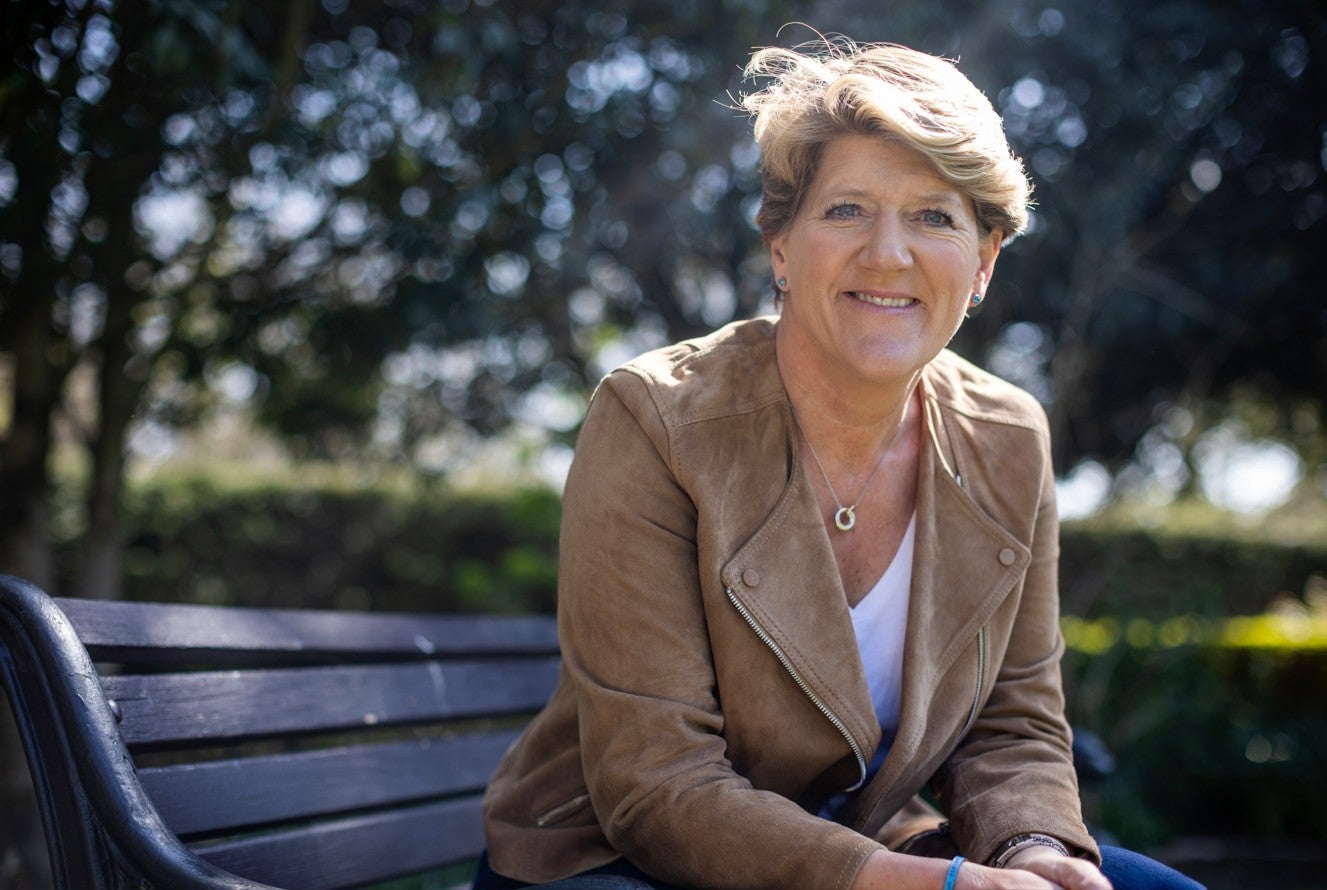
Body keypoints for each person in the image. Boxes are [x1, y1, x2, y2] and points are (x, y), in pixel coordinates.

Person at [476, 38, 1204, 890]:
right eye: (847, 210)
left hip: (862, 849)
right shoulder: (654, 418)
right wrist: (928, 885)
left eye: (934, 216)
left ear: (983, 262)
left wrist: (1032, 851)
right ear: (780, 247)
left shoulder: (1009, 436)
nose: (888, 254)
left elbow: (1011, 724)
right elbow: (655, 781)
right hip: (616, 859)